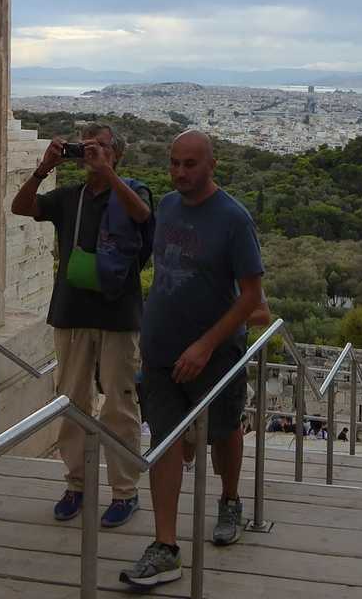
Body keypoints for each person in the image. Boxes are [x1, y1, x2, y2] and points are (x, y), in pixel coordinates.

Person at [121, 131, 265, 592]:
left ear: (211, 166)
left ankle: (230, 500)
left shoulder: (233, 218)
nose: (179, 172)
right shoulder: (166, 206)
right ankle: (166, 546)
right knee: (163, 441)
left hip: (216, 354)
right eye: (174, 163)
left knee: (223, 430)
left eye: (189, 164)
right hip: (161, 350)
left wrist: (205, 345)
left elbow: (252, 297)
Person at [10, 122, 153, 529]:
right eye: (87, 146)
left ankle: (124, 490)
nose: (92, 152)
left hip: (118, 313)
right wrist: (43, 168)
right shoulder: (69, 197)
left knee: (120, 404)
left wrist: (109, 175)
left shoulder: (133, 191)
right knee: (71, 401)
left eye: (102, 147)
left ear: (117, 154)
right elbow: (21, 207)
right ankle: (75, 484)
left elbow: (143, 216)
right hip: (72, 311)